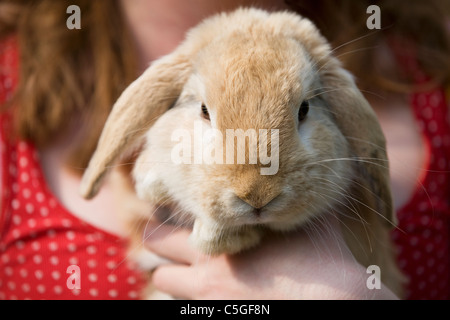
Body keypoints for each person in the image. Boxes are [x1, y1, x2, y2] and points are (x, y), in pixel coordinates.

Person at [0, 0, 448, 300]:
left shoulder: (432, 70)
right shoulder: (9, 81)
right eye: (207, 115)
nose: (256, 186)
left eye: (303, 111)